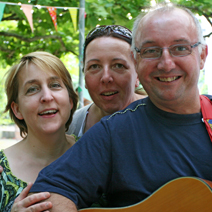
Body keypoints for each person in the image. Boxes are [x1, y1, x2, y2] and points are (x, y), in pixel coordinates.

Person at [28, 4, 211, 211]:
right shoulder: (113, 132)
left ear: (202, 55)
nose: (166, 64)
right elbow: (50, 193)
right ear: (137, 60)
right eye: (151, 51)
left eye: (180, 48)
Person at [0, 51, 78, 211]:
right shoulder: (1, 172)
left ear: (70, 100)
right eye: (32, 89)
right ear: (17, 109)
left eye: (55, 85)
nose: (47, 97)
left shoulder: (95, 152)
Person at [68, 25, 146, 137]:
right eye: (94, 66)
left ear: (137, 74)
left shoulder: (165, 120)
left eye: (118, 65)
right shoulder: (71, 127)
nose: (106, 77)